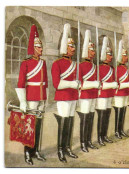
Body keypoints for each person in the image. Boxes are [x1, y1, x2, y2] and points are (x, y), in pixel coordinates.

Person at [16, 24, 48, 165]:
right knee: (30, 127)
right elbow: (21, 83)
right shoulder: (26, 63)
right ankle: (27, 153)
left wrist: (45, 99)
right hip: (30, 98)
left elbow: (45, 82)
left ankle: (35, 151)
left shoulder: (43, 63)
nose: (41, 49)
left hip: (40, 97)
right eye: (39, 47)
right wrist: (22, 101)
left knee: (39, 125)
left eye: (41, 47)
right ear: (33, 49)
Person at [51, 23, 79, 163]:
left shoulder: (75, 64)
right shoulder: (57, 63)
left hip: (73, 96)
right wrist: (73, 84)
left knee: (70, 122)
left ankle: (67, 147)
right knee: (63, 122)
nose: (73, 49)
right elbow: (57, 84)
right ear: (64, 47)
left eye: (74, 46)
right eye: (71, 46)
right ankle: (60, 150)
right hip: (63, 96)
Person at [77, 30, 99, 152]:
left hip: (93, 95)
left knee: (91, 117)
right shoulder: (81, 66)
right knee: (84, 118)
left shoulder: (94, 66)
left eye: (94, 50)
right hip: (85, 95)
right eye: (91, 50)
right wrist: (94, 84)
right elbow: (80, 84)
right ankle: (82, 143)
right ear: (86, 51)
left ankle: (89, 141)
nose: (93, 52)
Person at [96, 36, 117, 146]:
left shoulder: (112, 69)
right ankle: (99, 137)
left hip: (109, 95)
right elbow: (100, 84)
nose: (111, 56)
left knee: (107, 115)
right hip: (102, 95)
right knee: (102, 115)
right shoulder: (99, 68)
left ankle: (104, 136)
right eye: (109, 54)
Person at [114, 41, 129, 139]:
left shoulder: (126, 68)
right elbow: (117, 84)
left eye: (126, 56)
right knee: (119, 111)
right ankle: (117, 131)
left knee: (124, 111)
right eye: (124, 56)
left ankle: (121, 130)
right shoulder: (117, 69)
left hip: (125, 93)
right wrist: (126, 84)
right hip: (119, 93)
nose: (127, 57)